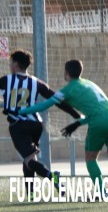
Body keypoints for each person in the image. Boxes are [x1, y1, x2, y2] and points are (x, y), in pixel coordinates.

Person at [20, 59, 108, 199]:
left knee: (90, 158)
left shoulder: (67, 90)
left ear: (66, 73)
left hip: (100, 122)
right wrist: (78, 123)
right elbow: (99, 109)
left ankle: (101, 191)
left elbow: (43, 105)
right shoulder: (89, 83)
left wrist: (19, 111)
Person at [1, 49, 81, 200]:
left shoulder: (6, 80)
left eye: (10, 62)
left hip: (18, 125)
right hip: (36, 124)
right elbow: (55, 98)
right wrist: (73, 112)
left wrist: (7, 106)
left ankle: (52, 176)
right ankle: (31, 193)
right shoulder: (36, 82)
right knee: (29, 158)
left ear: (16, 65)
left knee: (29, 159)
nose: (9, 65)